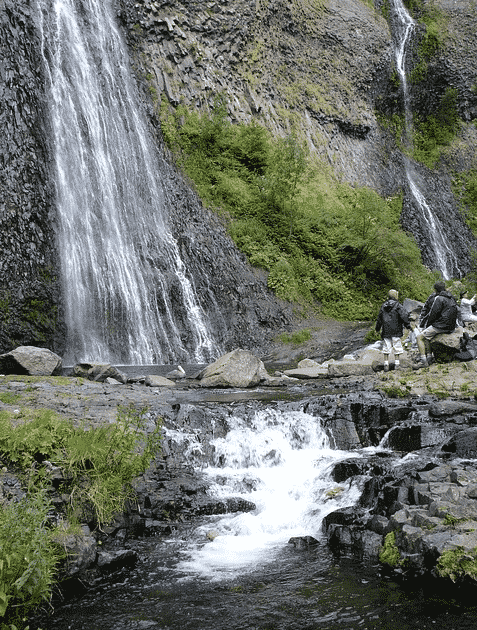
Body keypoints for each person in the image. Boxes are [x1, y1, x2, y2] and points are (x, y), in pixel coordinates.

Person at [414, 281, 458, 368]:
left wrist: (427, 325)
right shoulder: (451, 297)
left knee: (419, 337)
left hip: (442, 325)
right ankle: (429, 357)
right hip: (451, 326)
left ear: (435, 290)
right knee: (427, 337)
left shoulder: (438, 298)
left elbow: (433, 314)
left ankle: (423, 361)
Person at [375, 289, 411, 371]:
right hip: (396, 330)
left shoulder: (383, 306)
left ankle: (386, 364)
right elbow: (404, 316)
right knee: (397, 347)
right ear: (396, 296)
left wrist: (377, 329)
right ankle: (397, 364)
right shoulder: (398, 306)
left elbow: (379, 319)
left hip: (386, 330)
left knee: (386, 347)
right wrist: (408, 325)